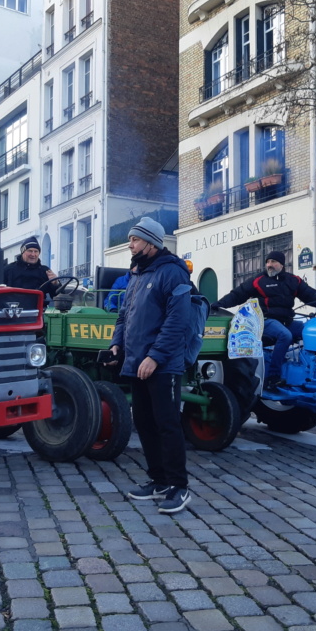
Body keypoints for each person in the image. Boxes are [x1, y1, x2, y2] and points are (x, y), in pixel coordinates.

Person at [106, 217, 194, 514]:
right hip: (136, 362)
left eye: (134, 240)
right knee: (143, 422)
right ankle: (158, 480)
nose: (130, 244)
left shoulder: (173, 273)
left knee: (167, 424)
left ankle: (179, 486)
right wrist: (116, 344)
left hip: (163, 364)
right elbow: (124, 316)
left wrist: (155, 357)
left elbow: (177, 321)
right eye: (130, 239)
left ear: (151, 243)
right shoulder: (138, 275)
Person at [212, 250, 316, 390]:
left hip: (287, 321)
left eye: (273, 262)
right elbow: (238, 294)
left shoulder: (293, 280)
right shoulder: (259, 280)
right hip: (266, 321)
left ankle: (312, 371)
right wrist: (219, 304)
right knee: (285, 335)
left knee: (311, 331)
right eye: (267, 262)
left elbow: (309, 295)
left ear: (282, 265)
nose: (269, 265)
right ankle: (273, 377)